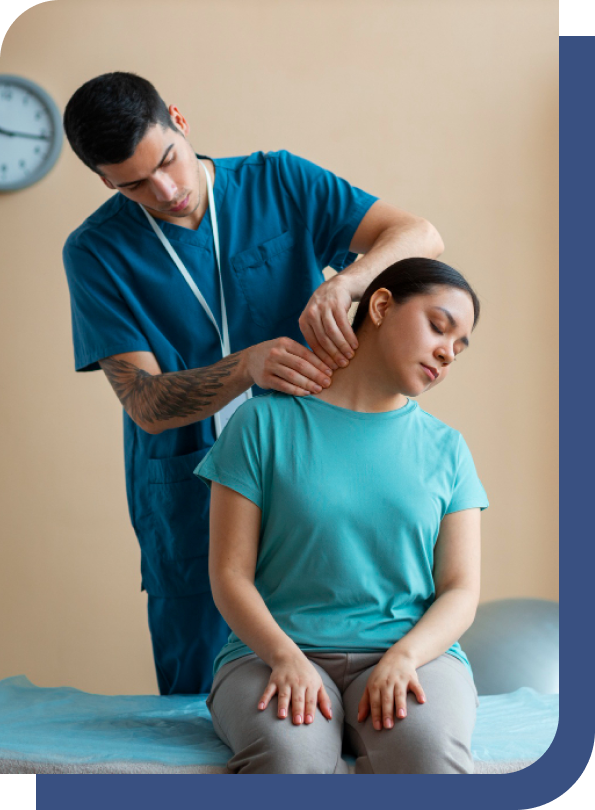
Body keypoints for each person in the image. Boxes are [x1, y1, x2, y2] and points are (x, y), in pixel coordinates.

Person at [61, 72, 444, 695]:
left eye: (168, 161)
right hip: (190, 499)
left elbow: (419, 235)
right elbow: (147, 403)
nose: (165, 191)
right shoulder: (96, 253)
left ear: (179, 121)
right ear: (105, 181)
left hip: (312, 479)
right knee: (201, 706)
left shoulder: (279, 182)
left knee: (331, 689)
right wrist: (246, 365)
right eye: (133, 184)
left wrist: (348, 280)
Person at [195, 257, 489, 774]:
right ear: (379, 306)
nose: (447, 352)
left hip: (412, 654)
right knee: (289, 757)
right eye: (439, 327)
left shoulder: (448, 449)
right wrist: (286, 658)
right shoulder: (261, 424)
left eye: (459, 349)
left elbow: (461, 590)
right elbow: (228, 574)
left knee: (429, 756)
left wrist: (404, 658)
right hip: (272, 653)